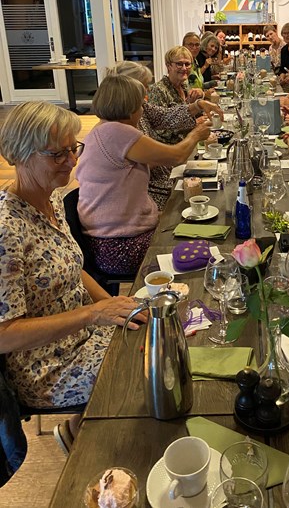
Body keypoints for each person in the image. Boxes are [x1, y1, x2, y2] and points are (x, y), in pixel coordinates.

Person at [0, 101, 144, 446]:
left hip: (82, 333)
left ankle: (78, 429)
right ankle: (108, 444)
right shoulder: (7, 229)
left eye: (72, 149)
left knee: (156, 334)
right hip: (45, 364)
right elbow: (4, 334)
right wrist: (94, 314)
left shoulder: (49, 200)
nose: (72, 161)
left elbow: (72, 268)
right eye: (57, 155)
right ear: (18, 155)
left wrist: (116, 306)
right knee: (144, 369)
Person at [76, 74, 211, 276]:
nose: (143, 110)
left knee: (193, 224)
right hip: (120, 246)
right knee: (202, 247)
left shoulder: (101, 129)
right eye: (141, 104)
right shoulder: (118, 132)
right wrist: (196, 134)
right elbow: (177, 156)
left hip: (107, 241)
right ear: (130, 108)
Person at [108, 61, 222, 209]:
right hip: (150, 193)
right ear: (129, 88)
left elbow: (165, 116)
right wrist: (195, 134)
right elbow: (174, 157)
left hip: (162, 180)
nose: (148, 89)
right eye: (144, 85)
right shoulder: (120, 127)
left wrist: (198, 105)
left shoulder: (137, 107)